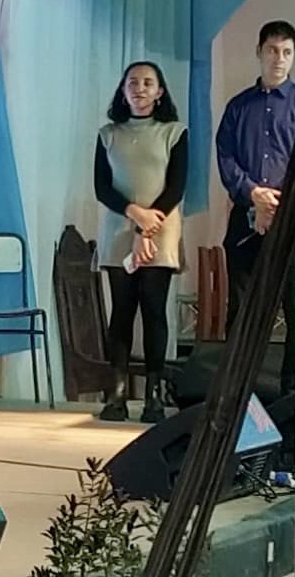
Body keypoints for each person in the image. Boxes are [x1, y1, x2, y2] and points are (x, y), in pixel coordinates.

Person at [93, 61, 188, 424]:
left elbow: (176, 187)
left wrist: (147, 226)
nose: (140, 88)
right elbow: (102, 187)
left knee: (153, 310)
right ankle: (116, 395)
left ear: (160, 91)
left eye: (148, 83)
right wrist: (134, 214)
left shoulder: (174, 133)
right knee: (121, 312)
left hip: (160, 229)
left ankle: (153, 396)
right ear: (123, 90)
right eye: (133, 82)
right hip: (119, 229)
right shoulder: (108, 134)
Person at [215, 19, 295, 396]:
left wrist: (278, 202)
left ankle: (292, 390)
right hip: (246, 220)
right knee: (242, 307)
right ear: (259, 52)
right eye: (272, 50)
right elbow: (225, 158)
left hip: (293, 219)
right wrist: (254, 194)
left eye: (286, 52)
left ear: (294, 56)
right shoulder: (238, 107)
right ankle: (236, 389)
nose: (278, 59)